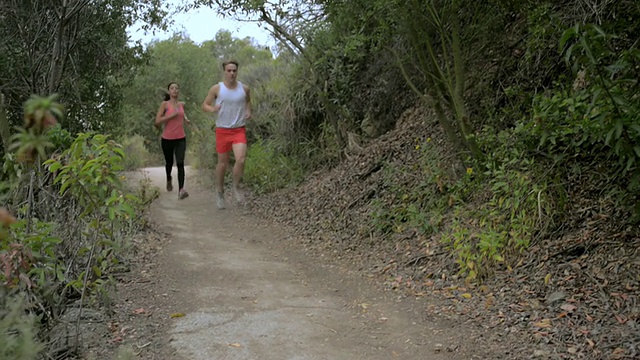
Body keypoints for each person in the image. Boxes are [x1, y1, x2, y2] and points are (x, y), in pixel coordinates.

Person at [202, 60, 252, 209]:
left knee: (241, 160)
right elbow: (204, 105)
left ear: (237, 71)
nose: (232, 73)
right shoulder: (217, 89)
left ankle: (235, 187)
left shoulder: (244, 88)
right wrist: (212, 109)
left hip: (238, 129)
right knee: (223, 164)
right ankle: (219, 192)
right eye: (229, 70)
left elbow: (248, 101)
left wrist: (248, 110)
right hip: (222, 130)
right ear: (224, 71)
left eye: (234, 70)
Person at [155, 82, 191, 200]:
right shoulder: (164, 104)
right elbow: (157, 121)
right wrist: (171, 116)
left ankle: (181, 190)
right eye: (172, 88)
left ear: (178, 91)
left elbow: (182, 113)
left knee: (180, 162)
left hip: (181, 138)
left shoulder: (181, 104)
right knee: (169, 162)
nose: (175, 90)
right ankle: (169, 178)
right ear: (169, 91)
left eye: (177, 88)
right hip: (167, 139)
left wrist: (186, 120)